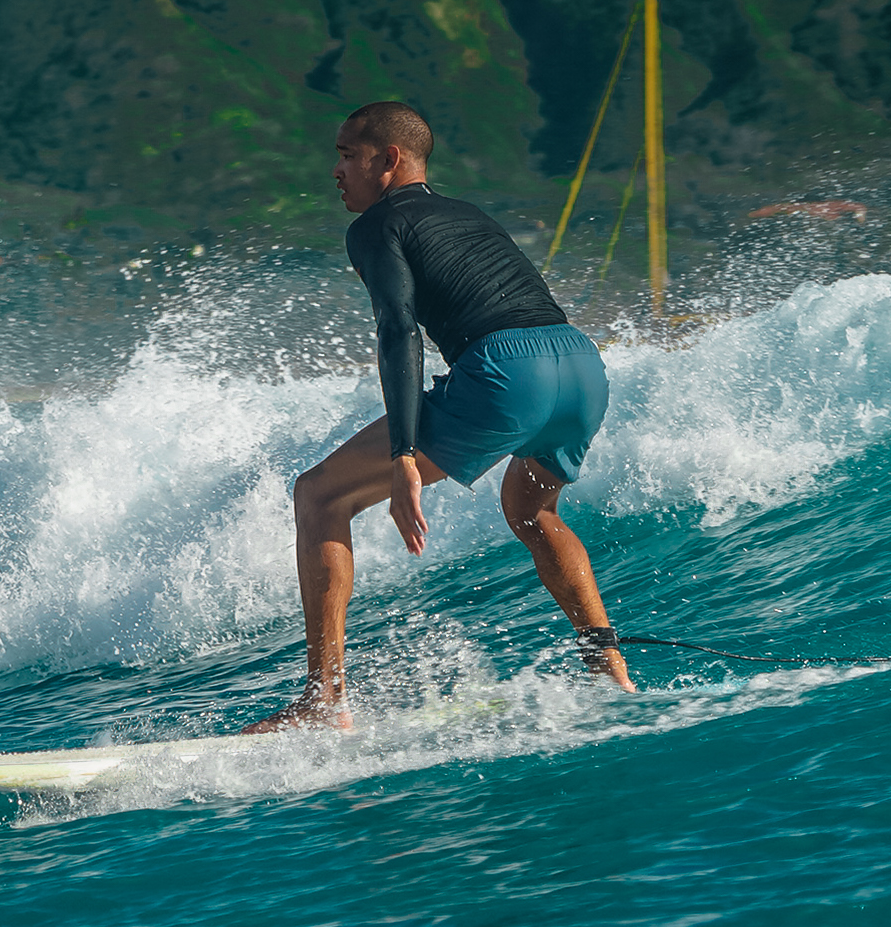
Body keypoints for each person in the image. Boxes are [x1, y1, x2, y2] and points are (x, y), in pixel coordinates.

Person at [247, 101, 632, 731]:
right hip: (580, 364)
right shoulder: (468, 213)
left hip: (509, 372)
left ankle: (325, 700)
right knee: (533, 512)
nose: (336, 170)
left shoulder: (376, 225)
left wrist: (404, 454)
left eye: (347, 154)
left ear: (389, 159)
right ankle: (608, 666)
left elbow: (399, 331)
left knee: (319, 495)